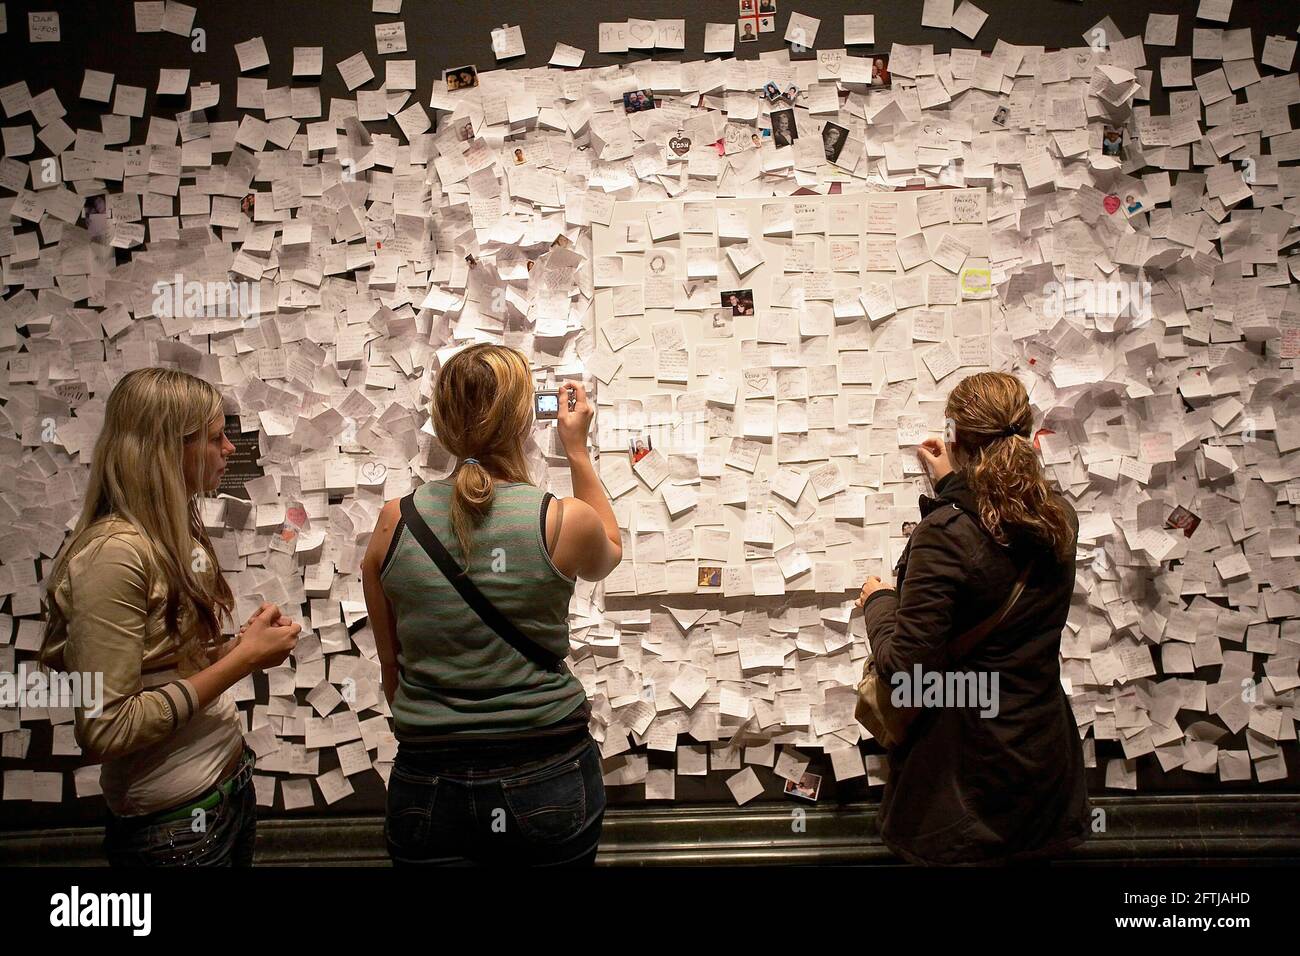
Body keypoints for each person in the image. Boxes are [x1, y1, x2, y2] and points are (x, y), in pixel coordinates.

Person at [363, 344, 622, 866]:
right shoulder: (560, 519)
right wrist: (577, 450)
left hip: (428, 780)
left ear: (443, 420)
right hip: (546, 771)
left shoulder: (396, 519)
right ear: (524, 419)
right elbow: (608, 555)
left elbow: (392, 668)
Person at [39, 368, 302, 866]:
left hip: (220, 798)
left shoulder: (169, 536)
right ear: (166, 449)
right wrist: (241, 661)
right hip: (174, 832)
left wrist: (228, 650)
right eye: (214, 437)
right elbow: (106, 728)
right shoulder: (113, 556)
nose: (230, 448)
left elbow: (155, 669)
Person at [854, 370, 1088, 866]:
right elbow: (995, 536)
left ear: (957, 438)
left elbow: (907, 673)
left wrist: (878, 601)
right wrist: (953, 483)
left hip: (966, 778)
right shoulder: (1057, 516)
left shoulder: (946, 534)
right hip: (1044, 765)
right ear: (1025, 432)